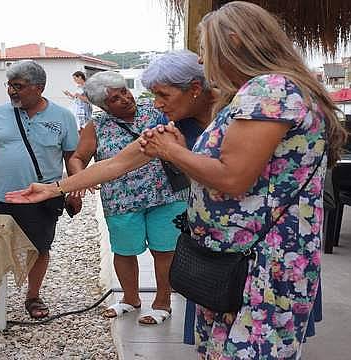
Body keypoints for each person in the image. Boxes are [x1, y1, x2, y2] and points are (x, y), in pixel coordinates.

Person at [137, 2, 346, 358]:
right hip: (240, 261)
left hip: (259, 263)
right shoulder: (267, 91)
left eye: (205, 50)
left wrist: (172, 152)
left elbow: (232, 178)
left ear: (233, 42)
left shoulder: (270, 90)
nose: (202, 62)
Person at [68, 70, 189, 324]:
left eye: (124, 91)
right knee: (124, 251)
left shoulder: (155, 112)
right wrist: (80, 179)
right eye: (114, 99)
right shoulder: (97, 126)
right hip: (121, 200)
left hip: (166, 194)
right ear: (103, 105)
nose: (124, 99)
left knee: (165, 251)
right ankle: (130, 299)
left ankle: (163, 301)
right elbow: (78, 157)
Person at [0, 60, 80, 319]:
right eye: (9, 85)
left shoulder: (63, 117)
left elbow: (73, 158)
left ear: (39, 88)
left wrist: (76, 190)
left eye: (18, 86)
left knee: (39, 248)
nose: (12, 91)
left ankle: (33, 296)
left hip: (41, 199)